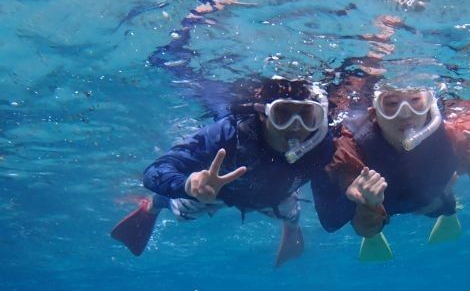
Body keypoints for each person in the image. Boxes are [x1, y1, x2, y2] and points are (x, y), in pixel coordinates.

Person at [314, 24, 470, 261]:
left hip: (429, 193)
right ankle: (390, 220)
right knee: (367, 220)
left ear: (431, 105)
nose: (405, 114)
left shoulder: (452, 132)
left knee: (438, 197)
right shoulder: (351, 145)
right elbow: (357, 221)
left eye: (416, 101)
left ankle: (446, 208)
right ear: (375, 111)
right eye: (392, 104)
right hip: (384, 203)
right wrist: (365, 205)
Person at [110, 77, 333, 266]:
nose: (296, 127)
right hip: (218, 191)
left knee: (291, 211)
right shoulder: (228, 133)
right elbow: (155, 171)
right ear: (263, 114)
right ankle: (155, 204)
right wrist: (189, 184)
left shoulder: (322, 145)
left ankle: (291, 227)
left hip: (274, 195)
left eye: (306, 115)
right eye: (282, 115)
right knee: (184, 212)